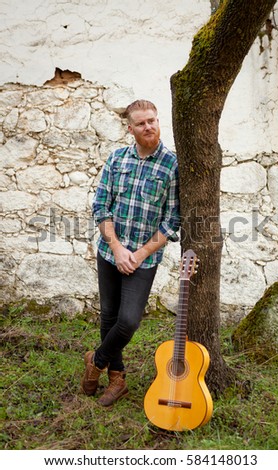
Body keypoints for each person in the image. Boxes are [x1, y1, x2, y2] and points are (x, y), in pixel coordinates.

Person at [81, 99, 180, 406]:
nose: (148, 126)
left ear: (158, 120)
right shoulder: (117, 159)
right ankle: (117, 379)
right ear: (130, 128)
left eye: (152, 120)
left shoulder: (173, 164)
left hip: (144, 259)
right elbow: (101, 206)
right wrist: (117, 246)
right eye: (141, 123)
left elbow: (172, 219)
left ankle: (95, 361)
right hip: (110, 252)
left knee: (129, 320)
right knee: (109, 317)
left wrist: (137, 255)